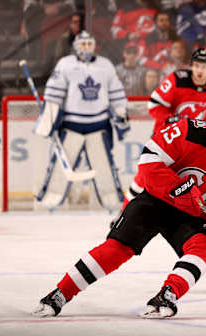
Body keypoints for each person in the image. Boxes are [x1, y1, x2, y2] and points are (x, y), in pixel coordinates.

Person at [32, 90, 206, 319]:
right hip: (156, 201)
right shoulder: (188, 130)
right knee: (116, 248)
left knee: (204, 248)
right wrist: (178, 188)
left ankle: (167, 294)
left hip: (191, 214)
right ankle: (60, 293)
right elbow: (149, 160)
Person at [122, 48, 206, 211]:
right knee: (144, 177)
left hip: (193, 143)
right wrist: (169, 119)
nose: (200, 70)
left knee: (193, 178)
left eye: (204, 66)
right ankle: (123, 211)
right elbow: (153, 104)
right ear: (191, 65)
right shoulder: (177, 79)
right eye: (197, 65)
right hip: (167, 138)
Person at [34, 31, 129, 211]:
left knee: (104, 167)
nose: (86, 48)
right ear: (77, 47)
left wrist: (121, 113)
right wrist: (48, 119)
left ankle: (112, 202)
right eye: (83, 44)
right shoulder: (65, 64)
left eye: (89, 44)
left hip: (99, 125)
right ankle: (51, 200)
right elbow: (54, 95)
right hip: (71, 125)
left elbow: (116, 93)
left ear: (94, 46)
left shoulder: (105, 65)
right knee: (61, 167)